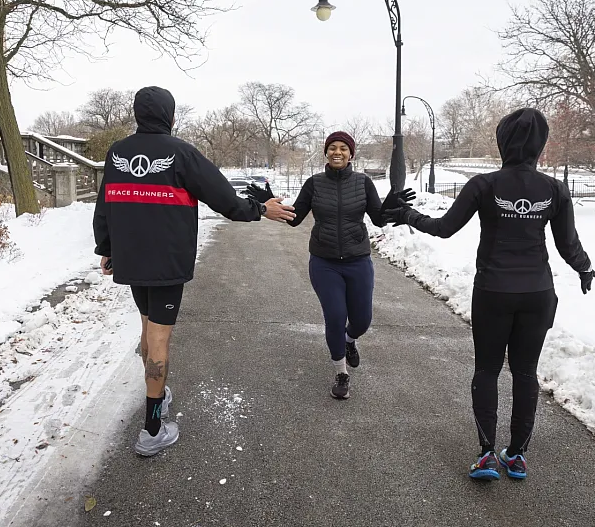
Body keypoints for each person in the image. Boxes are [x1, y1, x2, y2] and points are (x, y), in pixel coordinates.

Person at [381, 108, 595, 481]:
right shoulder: (554, 189)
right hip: (538, 292)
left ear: (502, 140)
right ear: (540, 145)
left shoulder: (484, 184)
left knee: (487, 370)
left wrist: (410, 215)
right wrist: (584, 267)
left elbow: (445, 228)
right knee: (526, 374)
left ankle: (487, 455)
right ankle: (516, 456)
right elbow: (567, 243)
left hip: (494, 292)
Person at [93, 86, 295, 457]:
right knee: (158, 340)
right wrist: (261, 208)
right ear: (170, 117)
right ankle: (153, 427)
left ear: (137, 114)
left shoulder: (117, 152)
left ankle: (159, 394)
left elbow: (105, 202)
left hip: (133, 260)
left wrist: (105, 247)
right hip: (167, 262)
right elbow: (224, 199)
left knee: (147, 328)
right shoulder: (181, 153)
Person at [249, 131, 415, 399]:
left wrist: (391, 205)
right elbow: (294, 218)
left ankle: (350, 341)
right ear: (326, 152)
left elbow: (378, 219)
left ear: (351, 154)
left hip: (358, 260)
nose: (337, 152)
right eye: (332, 148)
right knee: (336, 317)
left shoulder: (363, 182)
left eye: (343, 149)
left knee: (361, 320)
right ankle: (341, 372)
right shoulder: (314, 183)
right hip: (324, 263)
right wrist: (269, 203)